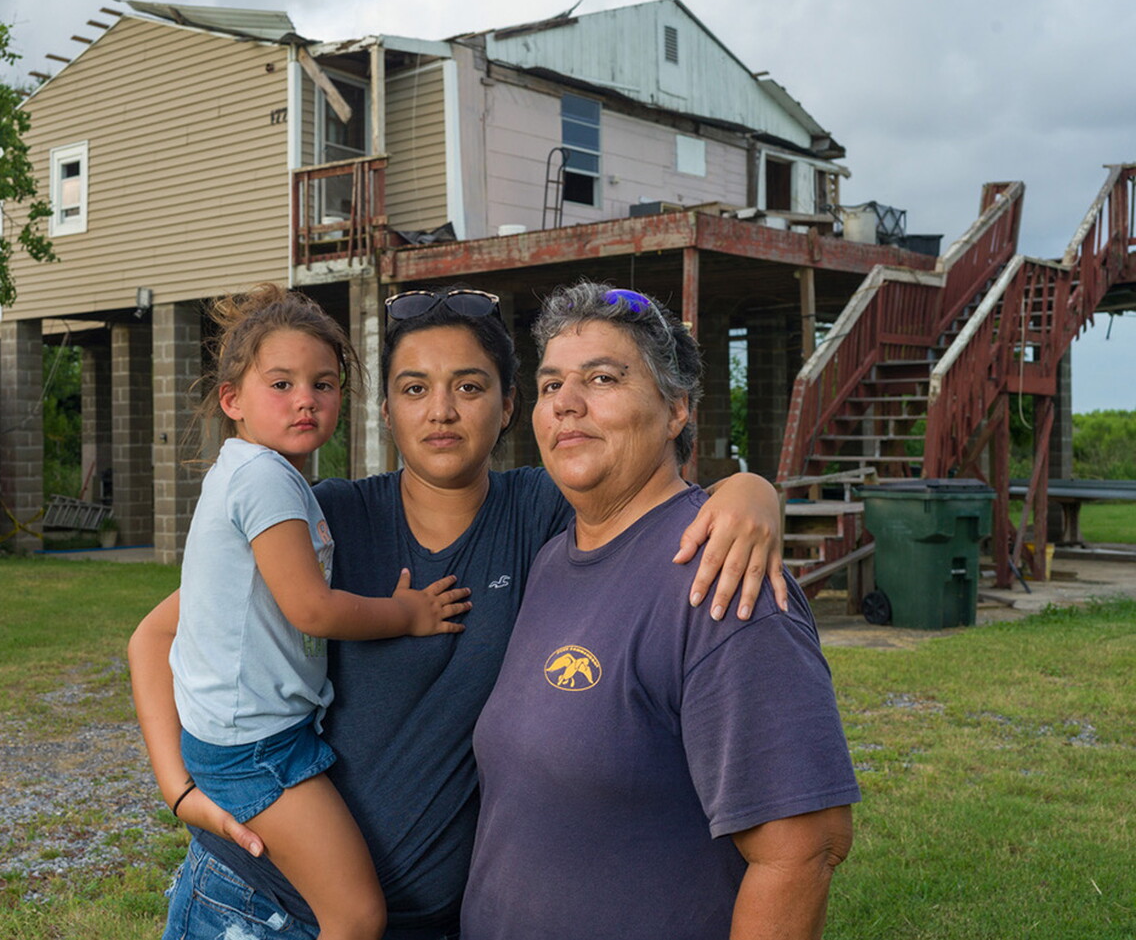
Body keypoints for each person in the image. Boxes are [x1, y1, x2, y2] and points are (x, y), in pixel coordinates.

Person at [129, 284, 790, 940]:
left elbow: (646, 489)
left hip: (437, 922)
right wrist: (180, 789)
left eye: (470, 387)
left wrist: (751, 491)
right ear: (385, 410)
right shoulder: (325, 520)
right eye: (414, 389)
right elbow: (157, 633)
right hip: (263, 906)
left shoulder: (541, 513)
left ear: (508, 406)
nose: (441, 410)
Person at [461, 282, 860, 940]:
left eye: (604, 377)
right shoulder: (552, 561)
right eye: (551, 384)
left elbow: (801, 848)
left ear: (676, 408)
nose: (566, 402)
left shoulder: (723, 576)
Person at [168, 284, 473, 940]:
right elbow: (311, 608)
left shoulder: (252, 474)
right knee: (356, 915)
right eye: (281, 383)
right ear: (232, 400)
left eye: (323, 383)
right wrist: (407, 613)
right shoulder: (265, 479)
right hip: (258, 748)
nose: (306, 397)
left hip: (243, 737)